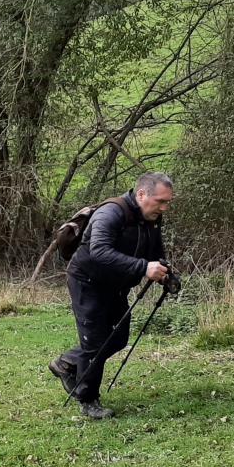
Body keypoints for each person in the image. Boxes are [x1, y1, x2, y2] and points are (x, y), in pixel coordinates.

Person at [50, 172, 173, 420]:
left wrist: (168, 274)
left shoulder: (151, 220)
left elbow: (157, 254)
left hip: (115, 285)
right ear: (141, 194)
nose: (164, 207)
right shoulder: (111, 213)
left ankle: (66, 363)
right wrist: (143, 268)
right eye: (160, 201)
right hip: (88, 281)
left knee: (118, 337)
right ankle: (88, 400)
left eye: (167, 202)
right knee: (95, 343)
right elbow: (99, 251)